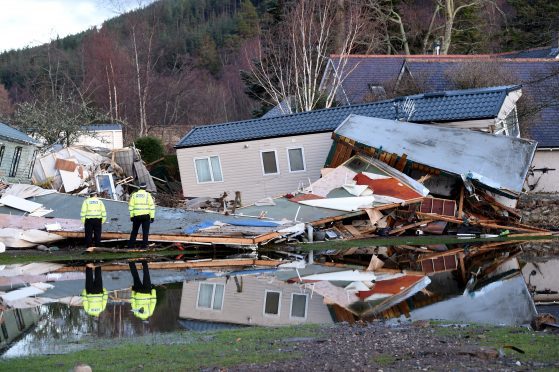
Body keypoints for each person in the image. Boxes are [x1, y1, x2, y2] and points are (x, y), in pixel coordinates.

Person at [128, 183, 155, 249]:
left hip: (136, 216)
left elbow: (131, 206)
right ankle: (144, 246)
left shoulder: (134, 195)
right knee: (145, 232)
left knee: (134, 231)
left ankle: (130, 246)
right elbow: (152, 207)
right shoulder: (148, 195)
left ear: (139, 187)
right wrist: (152, 217)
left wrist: (131, 216)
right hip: (146, 216)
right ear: (145, 188)